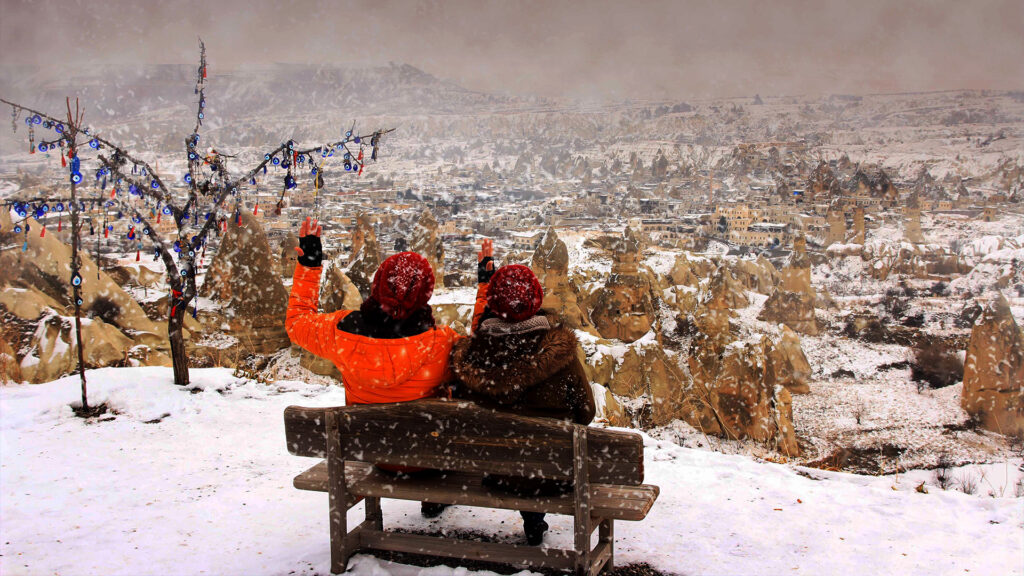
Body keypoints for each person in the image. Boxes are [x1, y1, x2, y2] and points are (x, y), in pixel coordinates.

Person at [285, 217, 492, 516]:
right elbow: (481, 353)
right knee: (459, 390)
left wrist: (310, 265)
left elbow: (297, 322)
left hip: (373, 450)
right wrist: (485, 287)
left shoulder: (342, 332)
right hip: (427, 455)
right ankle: (435, 492)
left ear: (377, 284)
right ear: (425, 295)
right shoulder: (440, 344)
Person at [448, 263, 596, 546]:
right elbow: (585, 412)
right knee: (534, 451)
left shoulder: (474, 358)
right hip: (553, 474)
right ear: (536, 300)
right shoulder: (558, 354)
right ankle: (534, 518)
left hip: (497, 471)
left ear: (493, 304)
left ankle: (532, 516)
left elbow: (464, 412)